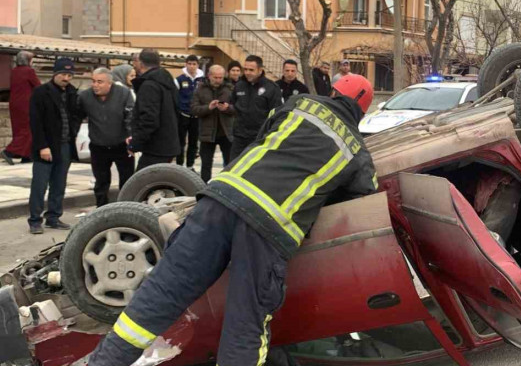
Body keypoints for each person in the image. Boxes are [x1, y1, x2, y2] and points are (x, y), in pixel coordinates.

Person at [86, 74, 377, 366]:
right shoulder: (356, 150)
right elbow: (366, 194)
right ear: (361, 112)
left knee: (160, 294)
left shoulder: (299, 103)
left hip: (219, 199)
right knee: (245, 325)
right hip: (267, 228)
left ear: (334, 91)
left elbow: (263, 137)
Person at [27, 58, 81, 234]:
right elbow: (36, 122)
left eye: (69, 75)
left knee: (59, 184)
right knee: (40, 185)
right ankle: (35, 220)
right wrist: (43, 146)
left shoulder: (72, 92)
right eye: (63, 74)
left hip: (65, 145)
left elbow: (76, 116)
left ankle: (54, 217)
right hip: (46, 146)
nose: (66, 78)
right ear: (55, 74)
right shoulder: (41, 93)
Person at [77, 68, 135, 207]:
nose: (95, 85)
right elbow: (77, 116)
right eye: (93, 81)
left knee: (127, 181)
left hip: (122, 146)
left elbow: (130, 117)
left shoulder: (123, 93)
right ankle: (101, 209)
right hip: (99, 146)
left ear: (110, 83)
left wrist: (132, 138)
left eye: (100, 82)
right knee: (101, 182)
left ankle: (126, 208)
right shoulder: (85, 96)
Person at [130, 49, 181, 171]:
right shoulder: (167, 81)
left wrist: (135, 143)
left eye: (135, 62)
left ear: (141, 63)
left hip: (155, 147)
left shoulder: (149, 85)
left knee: (141, 185)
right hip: (168, 144)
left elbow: (149, 119)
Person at [228, 55, 282, 160]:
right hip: (240, 137)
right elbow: (234, 106)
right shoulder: (239, 85)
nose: (247, 72)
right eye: (246, 69)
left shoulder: (271, 88)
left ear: (260, 70)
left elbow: (277, 114)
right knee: (232, 168)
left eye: (251, 70)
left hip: (259, 138)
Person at [190, 65, 234, 182]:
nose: (218, 80)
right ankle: (204, 188)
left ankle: (226, 187)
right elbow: (194, 109)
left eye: (220, 77)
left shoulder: (229, 89)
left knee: (230, 165)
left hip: (226, 132)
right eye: (215, 77)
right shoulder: (200, 89)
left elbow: (238, 109)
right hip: (207, 134)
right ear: (209, 76)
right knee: (206, 165)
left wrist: (227, 108)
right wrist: (208, 108)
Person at [1, 51, 41, 165]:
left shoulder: (14, 71)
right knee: (28, 129)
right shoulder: (29, 71)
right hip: (26, 104)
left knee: (18, 129)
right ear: (28, 60)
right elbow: (38, 86)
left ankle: (26, 155)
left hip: (14, 103)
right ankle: (9, 152)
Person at [176, 55, 203, 169]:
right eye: (190, 64)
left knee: (193, 142)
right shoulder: (179, 80)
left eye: (194, 64)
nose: (192, 66)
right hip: (183, 115)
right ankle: (179, 165)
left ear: (198, 65)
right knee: (181, 142)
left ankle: (190, 166)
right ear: (186, 64)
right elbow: (174, 96)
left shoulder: (202, 80)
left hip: (196, 116)